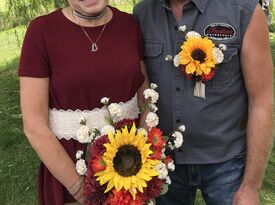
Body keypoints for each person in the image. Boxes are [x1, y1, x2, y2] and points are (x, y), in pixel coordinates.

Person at [134, 0, 273, 204]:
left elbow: (262, 102)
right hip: (163, 162)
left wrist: (251, 187)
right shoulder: (142, 14)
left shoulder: (244, 11)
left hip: (227, 165)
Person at [19, 0, 150, 204]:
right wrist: (81, 189)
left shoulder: (129, 25)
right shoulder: (41, 31)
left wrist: (146, 156)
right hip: (70, 167)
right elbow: (34, 125)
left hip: (131, 166)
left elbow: (145, 96)